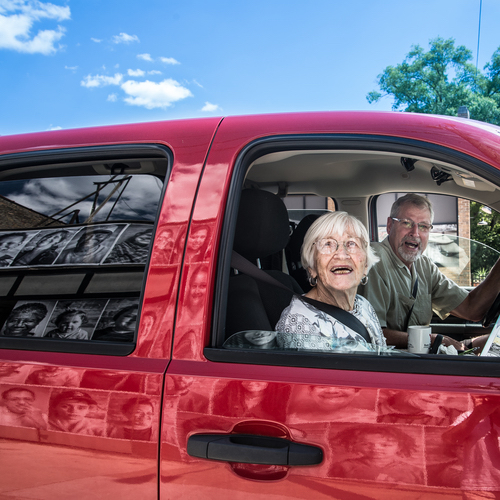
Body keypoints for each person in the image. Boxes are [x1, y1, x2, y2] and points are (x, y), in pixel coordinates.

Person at [358, 194, 495, 350]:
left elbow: (471, 309)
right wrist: (434, 340)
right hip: (389, 366)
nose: (415, 233)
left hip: (418, 361)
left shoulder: (424, 266)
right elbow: (371, 334)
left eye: (423, 226)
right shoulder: (375, 261)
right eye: (407, 223)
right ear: (389, 225)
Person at [275, 211, 387, 352]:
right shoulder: (299, 323)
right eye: (327, 244)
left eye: (352, 243)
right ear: (312, 267)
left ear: (365, 266)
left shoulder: (363, 305)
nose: (341, 254)